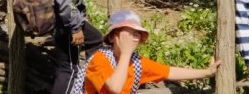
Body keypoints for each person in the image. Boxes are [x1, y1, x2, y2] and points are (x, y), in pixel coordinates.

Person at [82, 9, 221, 94]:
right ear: (113, 37)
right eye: (130, 33)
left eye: (138, 34)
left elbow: (169, 72)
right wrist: (125, 53)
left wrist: (206, 72)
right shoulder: (100, 59)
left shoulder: (136, 63)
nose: (135, 37)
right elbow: (115, 88)